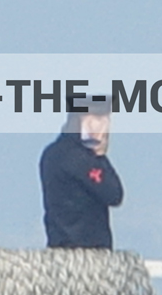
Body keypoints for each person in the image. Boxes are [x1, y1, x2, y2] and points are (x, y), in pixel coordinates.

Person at [40, 98, 122, 249]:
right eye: (98, 119)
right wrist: (100, 157)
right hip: (88, 254)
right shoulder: (82, 159)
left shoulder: (52, 153)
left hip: (57, 250)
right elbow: (114, 194)